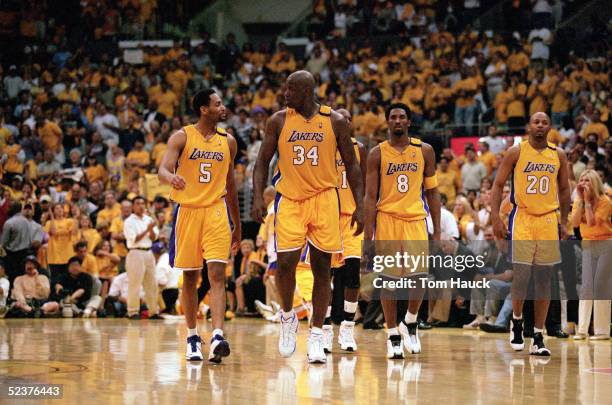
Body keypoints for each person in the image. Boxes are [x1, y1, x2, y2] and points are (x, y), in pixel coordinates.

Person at [252, 70, 364, 364]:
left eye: (290, 89)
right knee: (286, 264)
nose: (285, 93)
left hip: (325, 198)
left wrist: (361, 206)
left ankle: (316, 333)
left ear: (306, 91)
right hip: (289, 199)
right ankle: (288, 316)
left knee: (322, 269)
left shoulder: (335, 121)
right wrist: (256, 196)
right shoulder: (278, 120)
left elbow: (352, 166)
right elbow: (262, 160)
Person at [159, 88, 241, 363]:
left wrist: (237, 224)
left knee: (217, 274)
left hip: (217, 212)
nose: (223, 107)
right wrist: (171, 178)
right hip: (188, 212)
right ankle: (193, 337)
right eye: (218, 104)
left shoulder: (228, 141)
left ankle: (218, 334)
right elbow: (163, 168)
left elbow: (230, 186)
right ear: (204, 109)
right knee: (191, 279)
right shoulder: (182, 136)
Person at [363, 103, 441, 359]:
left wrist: (437, 231)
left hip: (416, 220)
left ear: (408, 122)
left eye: (402, 117)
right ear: (387, 122)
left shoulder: (424, 151)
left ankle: (410, 320)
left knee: (419, 277)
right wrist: (368, 236)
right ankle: (392, 334)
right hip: (386, 219)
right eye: (393, 117)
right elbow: (370, 197)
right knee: (389, 282)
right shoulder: (377, 153)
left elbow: (432, 192)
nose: (398, 121)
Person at [491, 112, 571, 356]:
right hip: (522, 218)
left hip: (548, 219)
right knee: (522, 275)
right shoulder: (516, 152)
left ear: (549, 127)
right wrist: (495, 216)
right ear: (529, 126)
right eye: (535, 121)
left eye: (544, 122)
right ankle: (516, 321)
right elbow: (497, 184)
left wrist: (565, 221)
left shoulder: (558, 154)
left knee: (544, 278)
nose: (540, 125)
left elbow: (565, 188)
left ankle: (538, 334)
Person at [324, 108, 367, 353]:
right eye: (341, 118)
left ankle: (348, 328)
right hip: (326, 217)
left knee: (352, 275)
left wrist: (363, 212)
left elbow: (364, 186)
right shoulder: (323, 148)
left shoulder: (358, 148)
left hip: (350, 218)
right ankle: (327, 328)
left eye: (349, 118)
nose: (345, 122)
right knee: (326, 277)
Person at [570, 170, 611, 340]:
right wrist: (581, 201)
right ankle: (582, 329)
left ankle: (602, 331)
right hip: (588, 243)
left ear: (594, 182)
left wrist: (586, 202)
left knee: (600, 285)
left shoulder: (605, 201)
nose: (583, 183)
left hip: (605, 243)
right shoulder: (578, 200)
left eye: (587, 180)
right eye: (581, 180)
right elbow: (574, 223)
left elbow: (593, 222)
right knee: (586, 286)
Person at [123, 196, 160, 320]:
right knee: (135, 284)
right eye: (138, 203)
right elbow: (134, 239)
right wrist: (147, 229)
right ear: (133, 206)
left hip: (148, 252)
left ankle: (153, 311)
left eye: (143, 203)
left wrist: (151, 230)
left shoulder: (149, 219)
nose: (141, 206)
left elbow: (154, 238)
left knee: (152, 283)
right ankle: (133, 312)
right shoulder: (129, 221)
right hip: (135, 252)